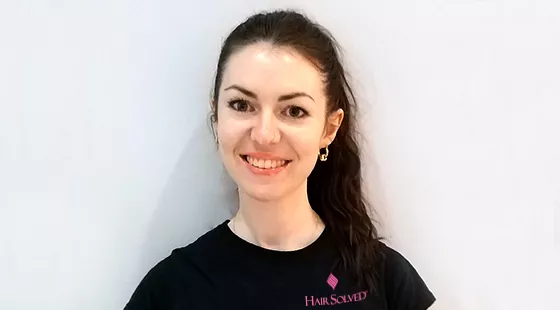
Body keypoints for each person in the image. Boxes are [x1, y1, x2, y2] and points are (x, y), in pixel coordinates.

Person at [124, 9, 435, 310]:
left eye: (294, 111)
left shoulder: (386, 279)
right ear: (216, 114)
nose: (264, 135)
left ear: (329, 128)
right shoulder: (171, 290)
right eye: (242, 105)